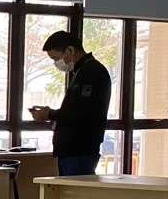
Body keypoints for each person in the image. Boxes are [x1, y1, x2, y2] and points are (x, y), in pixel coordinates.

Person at [29, 30, 111, 177]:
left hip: (80, 151)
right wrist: (50, 113)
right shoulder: (80, 72)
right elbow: (74, 108)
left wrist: (49, 114)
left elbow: (80, 112)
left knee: (75, 190)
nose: (57, 63)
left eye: (56, 58)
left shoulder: (92, 72)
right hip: (71, 151)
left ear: (70, 50)